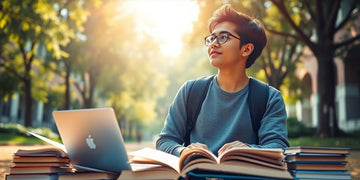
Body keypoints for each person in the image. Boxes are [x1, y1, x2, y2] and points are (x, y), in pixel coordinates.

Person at [156, 4, 289, 157]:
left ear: (246, 49)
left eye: (223, 37)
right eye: (212, 37)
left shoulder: (269, 98)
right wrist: (185, 151)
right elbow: (165, 140)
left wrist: (247, 150)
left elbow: (278, 147)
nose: (213, 43)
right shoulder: (191, 91)